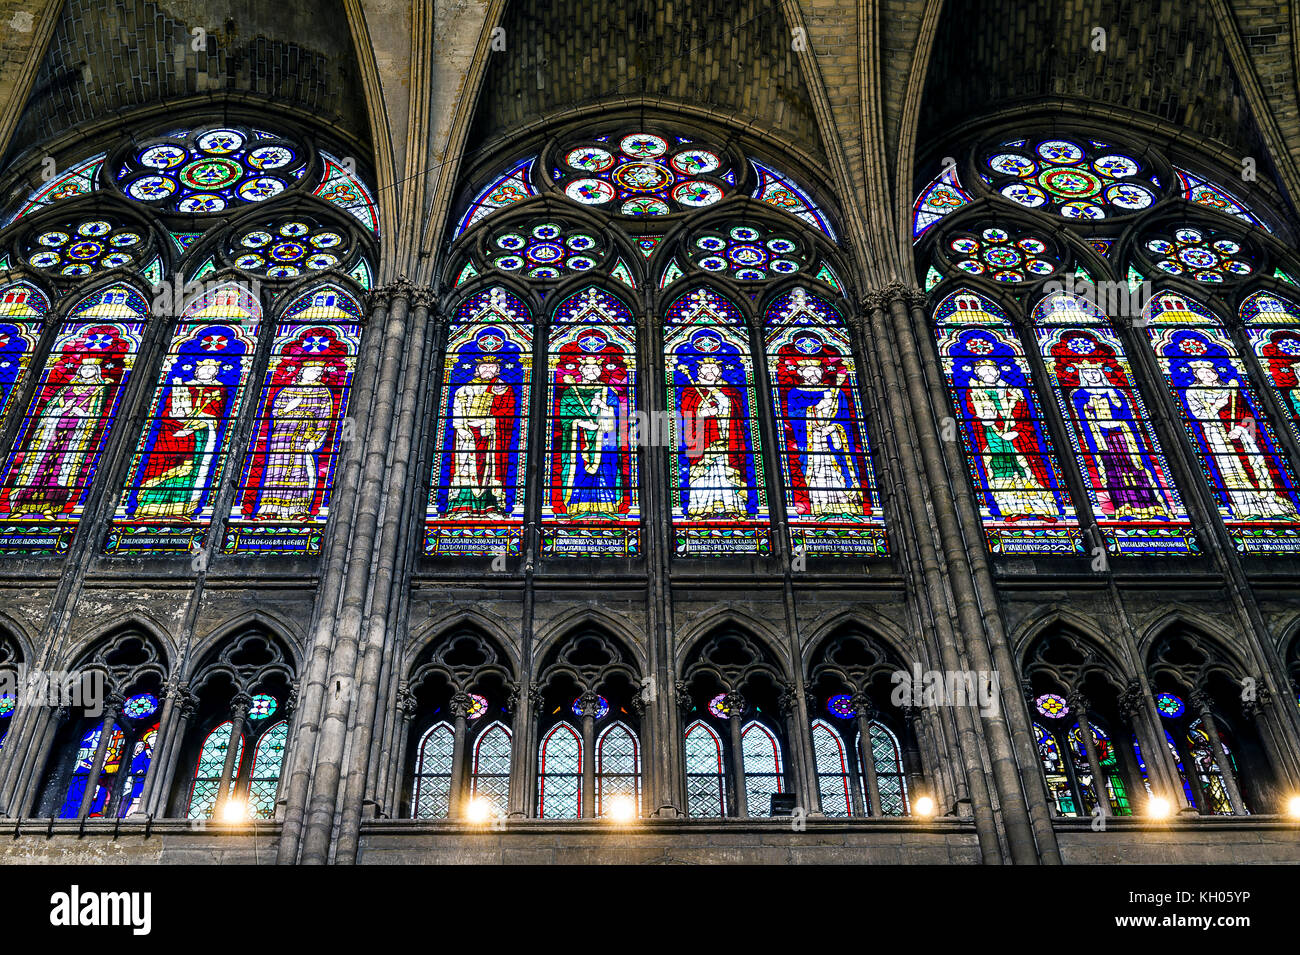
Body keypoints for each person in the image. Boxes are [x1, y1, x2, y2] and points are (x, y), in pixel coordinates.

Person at [132, 358, 227, 519]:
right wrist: (178, 419)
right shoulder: (181, 386)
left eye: (211, 370)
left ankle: (182, 509)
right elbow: (166, 411)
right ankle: (149, 508)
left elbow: (216, 417)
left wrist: (195, 426)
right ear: (197, 371)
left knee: (188, 473)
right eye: (204, 369)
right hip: (170, 437)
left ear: (216, 373)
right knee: (159, 468)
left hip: (198, 439)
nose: (207, 372)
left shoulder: (220, 390)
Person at [254, 360, 333, 521]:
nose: (316, 374)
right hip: (283, 436)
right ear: (302, 371)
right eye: (313, 370)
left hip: (305, 435)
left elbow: (325, 418)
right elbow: (276, 412)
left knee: (300, 471)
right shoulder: (288, 391)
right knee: (277, 470)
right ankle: (270, 509)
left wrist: (316, 440)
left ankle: (296, 509)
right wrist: (288, 408)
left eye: (319, 372)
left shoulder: (323, 392)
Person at [447, 355, 515, 517]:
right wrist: (462, 428)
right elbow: (457, 410)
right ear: (477, 370)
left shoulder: (501, 388)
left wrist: (489, 422)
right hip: (466, 434)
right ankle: (463, 507)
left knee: (489, 469)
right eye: (484, 367)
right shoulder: (463, 389)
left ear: (497, 370)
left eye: (492, 367)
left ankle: (490, 507)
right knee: (465, 468)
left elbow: (507, 410)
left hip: (489, 433)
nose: (488, 370)